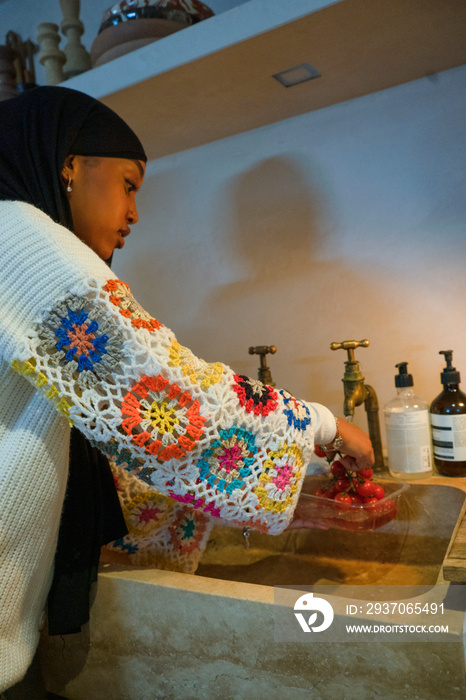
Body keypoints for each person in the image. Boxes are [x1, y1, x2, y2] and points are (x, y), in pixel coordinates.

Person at [0, 86, 373, 693]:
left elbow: (106, 432)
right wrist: (321, 428)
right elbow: (167, 398)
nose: (135, 214)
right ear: (69, 165)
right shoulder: (14, 234)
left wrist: (279, 487)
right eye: (129, 184)